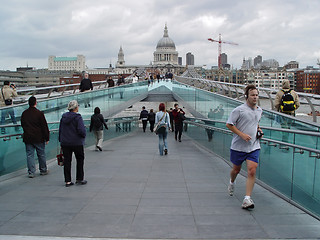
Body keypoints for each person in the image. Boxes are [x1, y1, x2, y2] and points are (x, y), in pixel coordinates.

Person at [226, 85, 263, 209]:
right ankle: (232, 182)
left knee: (252, 170)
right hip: (238, 146)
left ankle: (247, 199)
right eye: (253, 95)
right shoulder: (239, 110)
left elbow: (255, 123)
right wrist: (241, 134)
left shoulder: (259, 110)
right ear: (247, 96)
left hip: (253, 146)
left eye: (257, 95)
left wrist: (258, 130)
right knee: (236, 170)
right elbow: (229, 124)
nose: (255, 97)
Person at [59, 100, 87, 187]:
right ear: (75, 108)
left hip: (65, 143)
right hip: (77, 142)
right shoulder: (78, 117)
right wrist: (83, 136)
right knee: (80, 159)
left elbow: (61, 130)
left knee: (67, 161)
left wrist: (61, 140)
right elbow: (81, 130)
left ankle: (68, 181)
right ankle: (79, 178)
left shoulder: (63, 117)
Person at [21, 96, 50, 178]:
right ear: (35, 103)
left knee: (30, 155)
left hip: (28, 137)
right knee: (41, 154)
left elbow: (23, 124)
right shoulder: (39, 113)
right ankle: (43, 170)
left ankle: (31, 172)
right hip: (39, 137)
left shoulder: (24, 113)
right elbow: (44, 126)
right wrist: (47, 137)